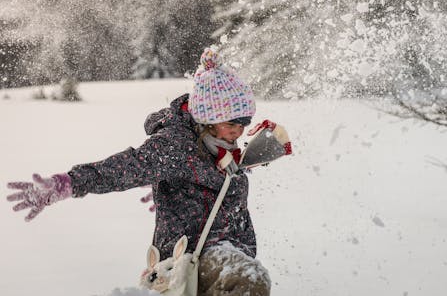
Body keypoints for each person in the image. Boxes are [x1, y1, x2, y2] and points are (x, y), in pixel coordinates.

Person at [6, 47, 272, 296]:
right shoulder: (176, 146)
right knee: (249, 278)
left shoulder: (221, 147)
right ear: (207, 119)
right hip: (193, 258)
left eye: (244, 122)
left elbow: (215, 184)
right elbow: (123, 168)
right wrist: (67, 183)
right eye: (232, 123)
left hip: (228, 252)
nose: (239, 131)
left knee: (248, 277)